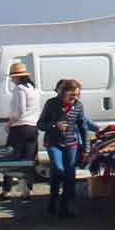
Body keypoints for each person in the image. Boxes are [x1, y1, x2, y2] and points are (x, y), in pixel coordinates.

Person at [35, 77, 96, 218]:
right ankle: (53, 199)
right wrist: (55, 125)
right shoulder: (51, 104)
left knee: (70, 175)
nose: (74, 98)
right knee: (58, 169)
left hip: (71, 143)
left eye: (77, 95)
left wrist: (86, 149)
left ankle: (64, 207)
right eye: (71, 95)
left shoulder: (78, 106)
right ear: (63, 93)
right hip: (53, 142)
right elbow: (40, 124)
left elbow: (83, 127)